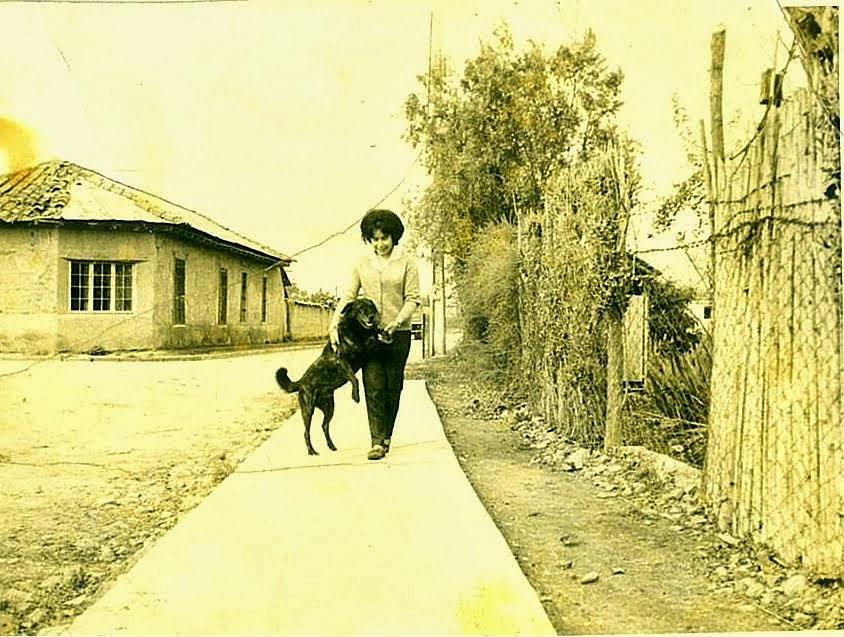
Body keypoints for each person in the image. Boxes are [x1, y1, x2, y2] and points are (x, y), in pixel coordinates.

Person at [329, 209, 421, 461]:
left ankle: (387, 435)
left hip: (398, 335)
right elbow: (349, 296)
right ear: (368, 239)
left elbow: (413, 298)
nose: (380, 244)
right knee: (374, 385)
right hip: (368, 338)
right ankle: (377, 441)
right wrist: (333, 324)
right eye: (375, 239)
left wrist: (397, 321)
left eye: (384, 238)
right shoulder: (361, 264)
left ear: (394, 237)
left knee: (393, 387)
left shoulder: (407, 263)